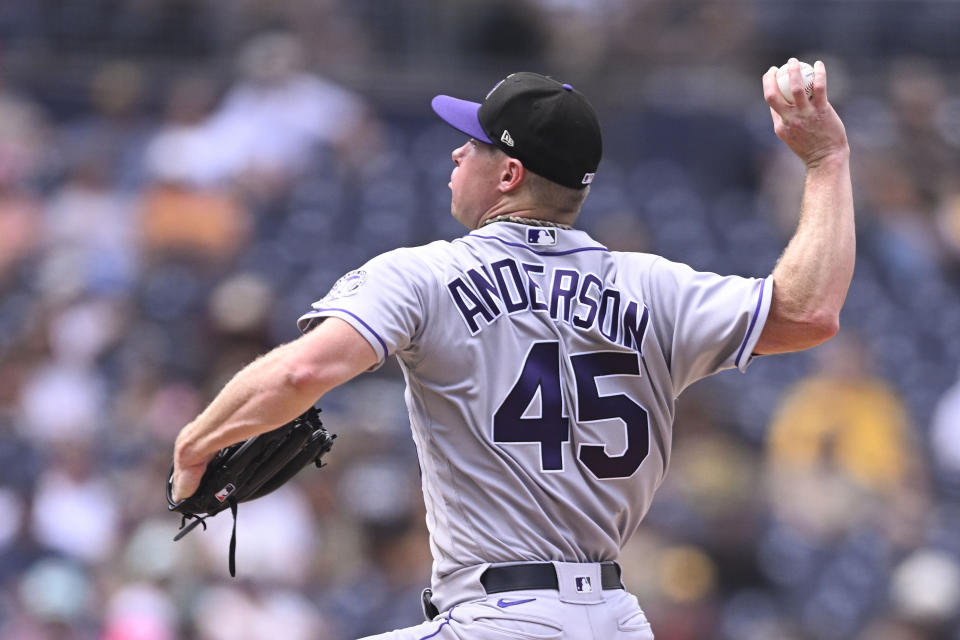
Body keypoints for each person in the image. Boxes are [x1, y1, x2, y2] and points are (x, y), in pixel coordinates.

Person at [171, 61, 854, 639]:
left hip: (501, 616)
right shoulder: (657, 287)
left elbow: (303, 369)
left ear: (509, 175)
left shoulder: (425, 274)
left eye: (472, 142)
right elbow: (809, 314)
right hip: (614, 619)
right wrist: (826, 163)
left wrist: (196, 443)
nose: (456, 152)